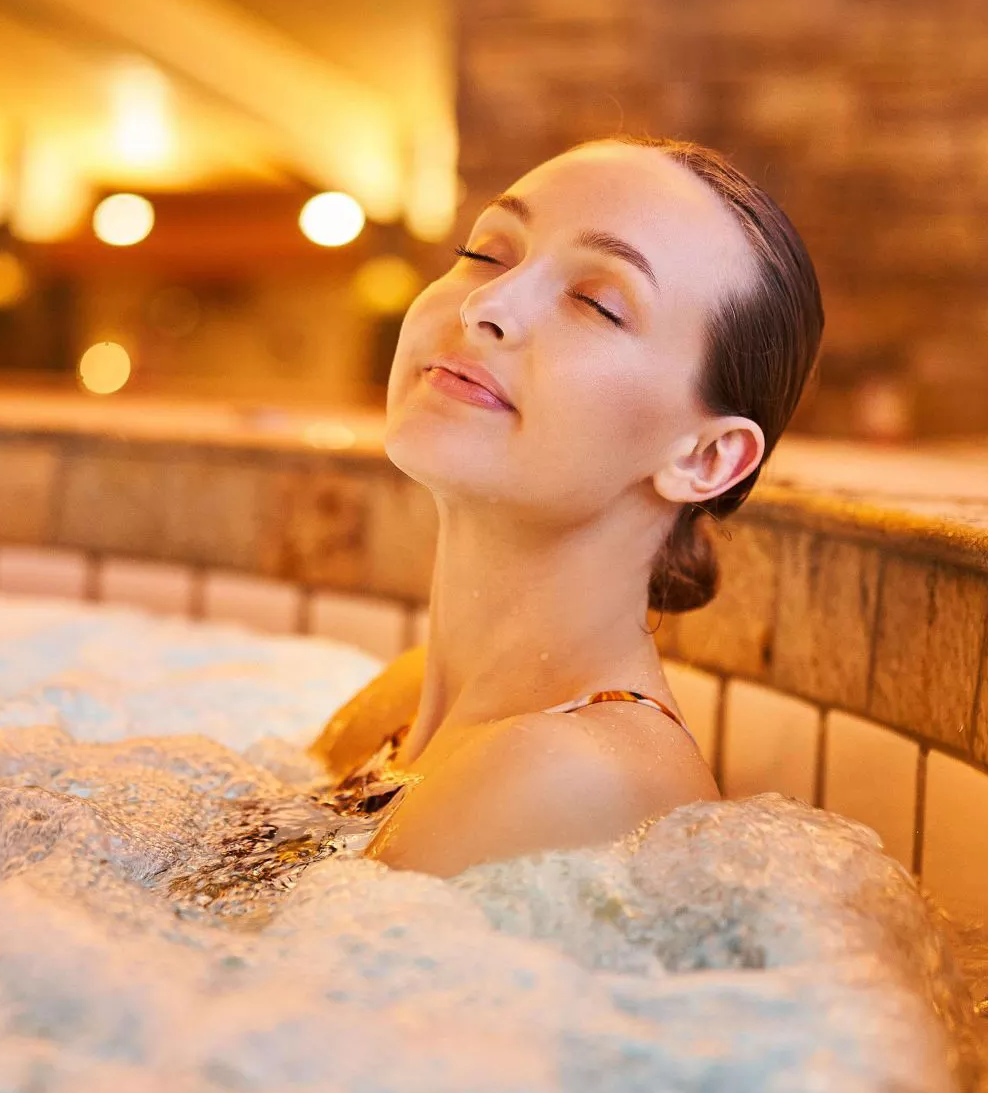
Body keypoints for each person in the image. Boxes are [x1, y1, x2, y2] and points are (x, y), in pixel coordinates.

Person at [305, 137, 825, 875]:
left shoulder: (567, 772)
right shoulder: (403, 701)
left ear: (703, 458)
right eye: (487, 253)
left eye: (596, 302)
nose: (489, 303)